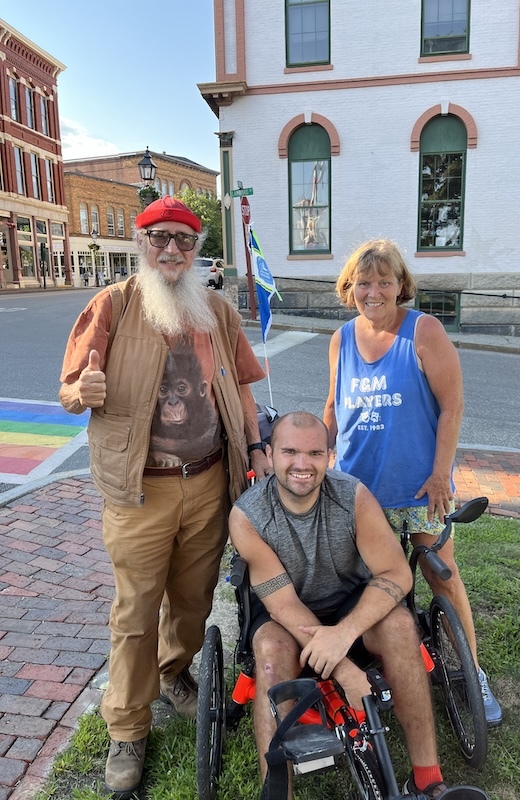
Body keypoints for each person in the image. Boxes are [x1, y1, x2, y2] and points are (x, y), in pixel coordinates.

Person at [59, 196, 270, 798]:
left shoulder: (218, 312)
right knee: (133, 612)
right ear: (141, 242)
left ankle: (174, 673)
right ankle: (126, 725)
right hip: (140, 491)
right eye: (160, 239)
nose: (172, 250)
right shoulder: (114, 306)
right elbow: (70, 389)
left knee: (193, 598)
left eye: (183, 239)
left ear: (196, 248)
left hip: (208, 481)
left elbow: (245, 390)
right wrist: (85, 390)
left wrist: (255, 449)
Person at [323, 238, 502, 728]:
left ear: (401, 285)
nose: (374, 291)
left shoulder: (424, 331)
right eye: (364, 282)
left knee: (441, 573)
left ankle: (473, 673)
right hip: (361, 491)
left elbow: (452, 406)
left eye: (385, 281)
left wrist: (441, 472)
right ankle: (386, 662)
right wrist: (314, 452)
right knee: (370, 583)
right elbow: (334, 407)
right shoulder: (341, 339)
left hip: (420, 487)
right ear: (349, 287)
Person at [230, 411, 449, 799]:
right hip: (285, 612)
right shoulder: (248, 516)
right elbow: (282, 604)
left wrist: (343, 634)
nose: (302, 464)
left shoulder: (352, 496)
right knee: (269, 654)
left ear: (330, 456)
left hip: (349, 601)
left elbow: (397, 574)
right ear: (269, 453)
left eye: (315, 453)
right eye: (290, 452)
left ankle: (428, 780)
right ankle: (277, 793)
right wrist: (345, 671)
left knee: (400, 627)